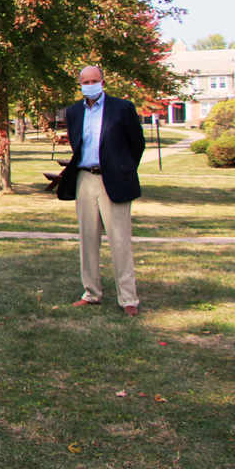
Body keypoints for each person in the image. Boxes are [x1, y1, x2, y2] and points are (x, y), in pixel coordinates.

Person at [56, 65, 146, 315]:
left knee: (120, 241)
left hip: (114, 180)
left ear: (103, 81)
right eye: (85, 81)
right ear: (80, 85)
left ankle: (128, 298)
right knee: (87, 239)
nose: (90, 84)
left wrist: (123, 169)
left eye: (94, 80)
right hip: (85, 179)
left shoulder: (122, 108)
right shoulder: (74, 112)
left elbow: (136, 144)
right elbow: (77, 145)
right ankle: (91, 292)